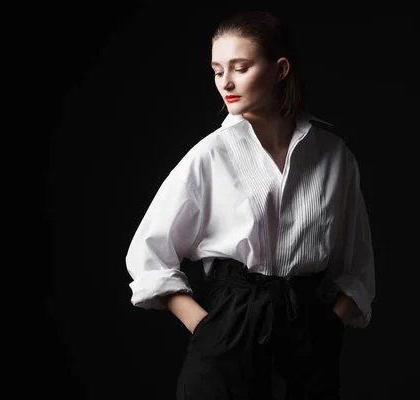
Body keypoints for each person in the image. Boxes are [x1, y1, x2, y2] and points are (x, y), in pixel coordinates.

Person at [125, 10, 375, 400]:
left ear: (280, 70)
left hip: (307, 335)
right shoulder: (211, 154)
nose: (225, 81)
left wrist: (329, 325)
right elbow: (148, 254)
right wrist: (208, 328)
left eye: (240, 67)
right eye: (216, 69)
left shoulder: (334, 156)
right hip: (231, 325)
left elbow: (357, 265)